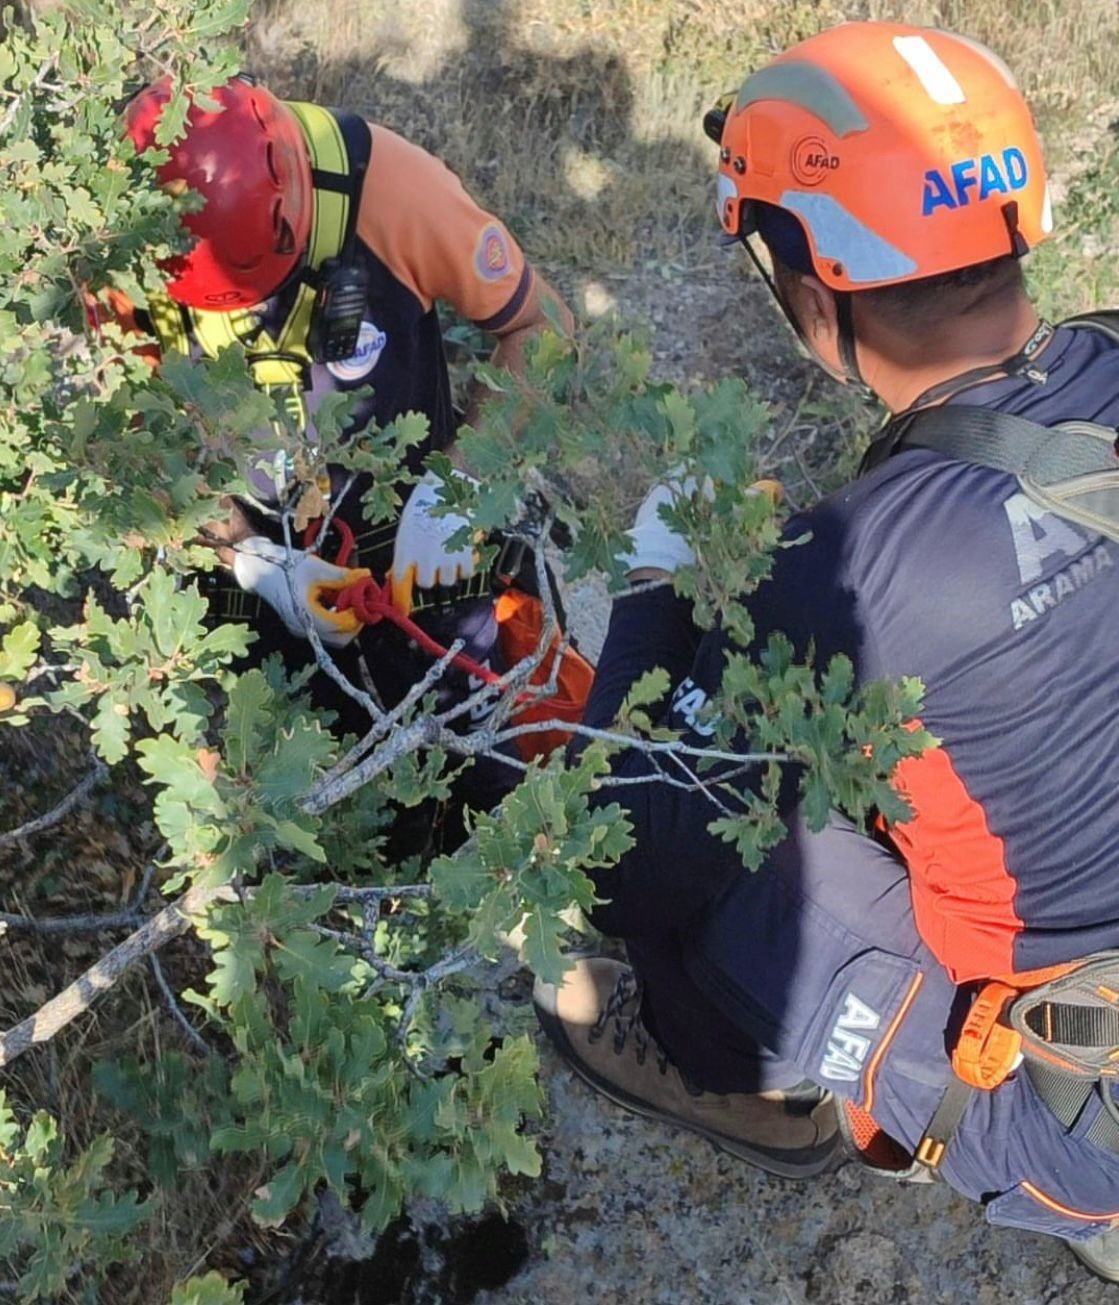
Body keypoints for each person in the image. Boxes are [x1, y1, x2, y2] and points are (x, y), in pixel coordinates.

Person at [532, 21, 1119, 1279]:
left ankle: (754, 1086)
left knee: (726, 895)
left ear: (814, 291)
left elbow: (623, 857)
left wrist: (655, 591)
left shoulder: (856, 567)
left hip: (1084, 1109)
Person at [117, 74, 578, 850]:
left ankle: (484, 893)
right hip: (252, 541)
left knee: (474, 744)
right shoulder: (122, 255)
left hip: (424, 526)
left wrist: (465, 482)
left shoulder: (389, 188)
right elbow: (128, 458)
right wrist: (243, 556)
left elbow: (543, 329)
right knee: (275, 790)